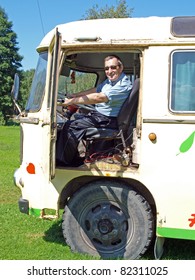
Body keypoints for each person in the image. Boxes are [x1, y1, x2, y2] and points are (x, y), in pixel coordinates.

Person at [56, 55, 132, 166]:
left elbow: (99, 97)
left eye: (113, 67)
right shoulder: (110, 82)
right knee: (74, 117)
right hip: (101, 115)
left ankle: (63, 161)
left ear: (120, 67)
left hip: (108, 120)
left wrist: (71, 101)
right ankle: (74, 156)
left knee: (71, 126)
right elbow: (96, 90)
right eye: (106, 68)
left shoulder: (123, 84)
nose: (109, 71)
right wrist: (75, 95)